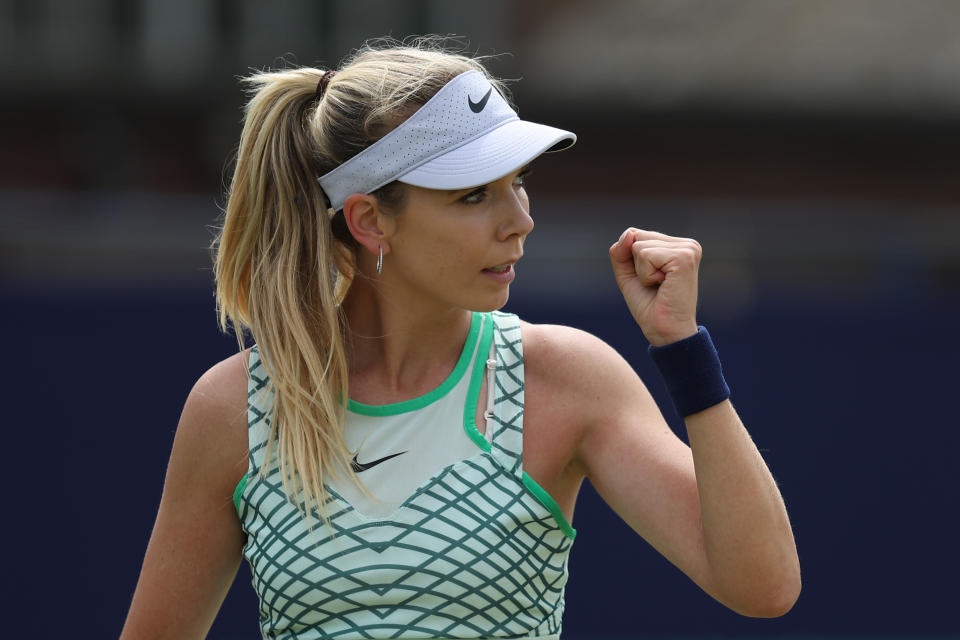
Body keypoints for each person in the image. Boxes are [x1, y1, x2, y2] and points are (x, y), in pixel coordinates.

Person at [120, 39, 800, 640]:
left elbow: (762, 587)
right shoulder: (231, 409)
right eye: (473, 194)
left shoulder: (567, 377)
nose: (519, 221)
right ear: (369, 219)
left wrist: (681, 347)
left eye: (518, 183)